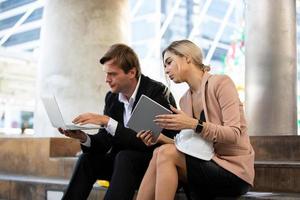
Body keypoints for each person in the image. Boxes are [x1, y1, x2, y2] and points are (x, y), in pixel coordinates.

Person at [136, 40, 255, 200]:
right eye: (164, 66)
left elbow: (233, 134)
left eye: (169, 63)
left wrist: (192, 124)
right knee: (159, 151)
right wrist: (160, 138)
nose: (166, 70)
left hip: (234, 171)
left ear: (187, 57)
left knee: (165, 153)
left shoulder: (221, 83)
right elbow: (193, 146)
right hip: (206, 161)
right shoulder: (185, 99)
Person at [59, 43, 177, 200]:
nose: (107, 80)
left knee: (125, 156)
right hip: (122, 166)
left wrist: (107, 121)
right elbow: (105, 142)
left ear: (132, 72)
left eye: (112, 74)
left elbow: (143, 141)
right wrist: (83, 138)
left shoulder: (155, 92)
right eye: (106, 74)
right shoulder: (112, 98)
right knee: (86, 159)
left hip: (151, 164)